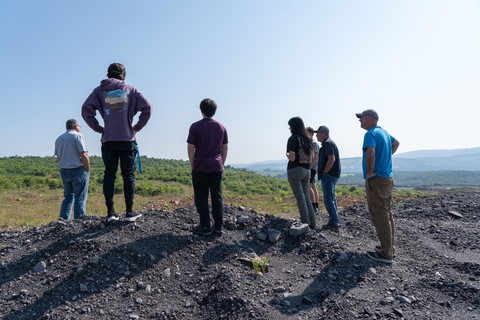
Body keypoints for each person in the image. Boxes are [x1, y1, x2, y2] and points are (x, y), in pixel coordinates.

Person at [82, 63, 152, 223]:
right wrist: (137, 127)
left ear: (108, 75)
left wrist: (99, 128)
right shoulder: (131, 90)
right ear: (123, 76)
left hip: (108, 140)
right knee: (128, 176)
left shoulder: (99, 90)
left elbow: (86, 108)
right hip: (127, 140)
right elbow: (147, 108)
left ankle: (111, 213)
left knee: (109, 175)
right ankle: (129, 212)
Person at [356, 109, 400, 264]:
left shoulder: (370, 134)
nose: (359, 120)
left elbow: (370, 154)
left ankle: (386, 253)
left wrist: (370, 172)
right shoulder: (385, 133)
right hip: (388, 178)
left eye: (361, 118)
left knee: (379, 214)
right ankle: (389, 249)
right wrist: (386, 156)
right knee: (387, 213)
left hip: (377, 179)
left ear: (370, 118)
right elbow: (396, 143)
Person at [187, 98, 229, 236]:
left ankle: (205, 226)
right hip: (216, 167)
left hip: (200, 167)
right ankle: (219, 226)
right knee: (217, 197)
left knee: (201, 197)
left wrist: (193, 165)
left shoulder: (195, 126)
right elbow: (225, 149)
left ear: (201, 110)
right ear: (214, 111)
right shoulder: (221, 127)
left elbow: (190, 148)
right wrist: (221, 165)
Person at [54, 119, 90, 220]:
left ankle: (63, 221)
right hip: (78, 170)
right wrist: (87, 168)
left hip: (64, 170)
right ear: (76, 126)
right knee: (80, 199)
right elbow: (84, 154)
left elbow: (58, 158)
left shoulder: (59, 138)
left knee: (68, 198)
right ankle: (79, 222)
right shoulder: (78, 136)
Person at [286, 117, 316, 229]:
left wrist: (287, 155)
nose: (289, 128)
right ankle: (313, 223)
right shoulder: (308, 139)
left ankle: (305, 223)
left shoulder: (292, 139)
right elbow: (313, 157)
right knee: (307, 199)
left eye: (290, 126)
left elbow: (292, 158)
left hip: (295, 171)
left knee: (300, 199)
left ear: (293, 126)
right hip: (306, 171)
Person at [315, 125, 341, 233]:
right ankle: (333, 222)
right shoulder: (327, 143)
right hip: (330, 175)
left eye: (318, 133)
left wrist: (325, 172)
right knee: (331, 199)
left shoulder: (328, 143)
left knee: (328, 199)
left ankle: (334, 223)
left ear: (324, 133)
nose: (316, 135)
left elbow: (331, 159)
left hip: (329, 175)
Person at [306, 127, 321, 214]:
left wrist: (309, 168)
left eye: (306, 133)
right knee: (313, 187)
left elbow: (314, 157)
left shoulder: (314, 144)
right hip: (312, 168)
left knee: (309, 187)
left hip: (312, 168)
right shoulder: (311, 143)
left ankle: (313, 207)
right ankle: (316, 207)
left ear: (311, 134)